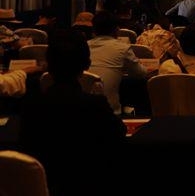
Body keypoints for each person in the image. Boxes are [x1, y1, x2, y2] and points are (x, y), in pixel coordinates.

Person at [19, 31, 128, 196]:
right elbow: (119, 134)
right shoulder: (95, 105)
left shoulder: (31, 105)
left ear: (48, 65)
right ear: (87, 64)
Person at [87, 10, 148, 114]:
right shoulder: (122, 48)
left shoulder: (83, 46)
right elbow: (141, 73)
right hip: (111, 112)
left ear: (94, 30)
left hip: (82, 111)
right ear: (116, 30)